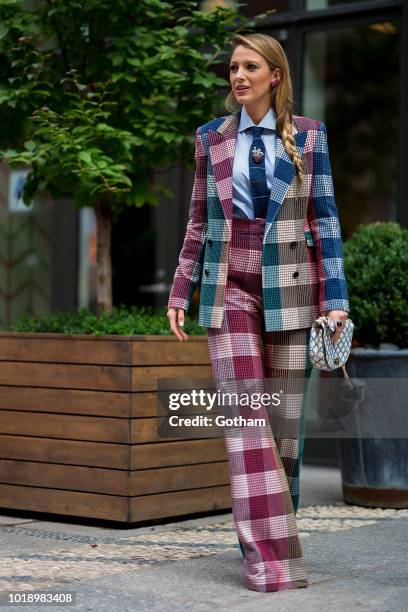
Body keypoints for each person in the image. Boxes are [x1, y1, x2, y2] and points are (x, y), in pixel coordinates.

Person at [167, 32, 349, 593]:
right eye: (232, 68)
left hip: (292, 288)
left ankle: (278, 538)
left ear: (275, 75)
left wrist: (336, 300)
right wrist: (180, 289)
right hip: (228, 288)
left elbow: (326, 220)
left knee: (284, 434)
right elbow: (198, 219)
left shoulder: (310, 136)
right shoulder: (210, 138)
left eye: (249, 67)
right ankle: (268, 561)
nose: (237, 76)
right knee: (246, 424)